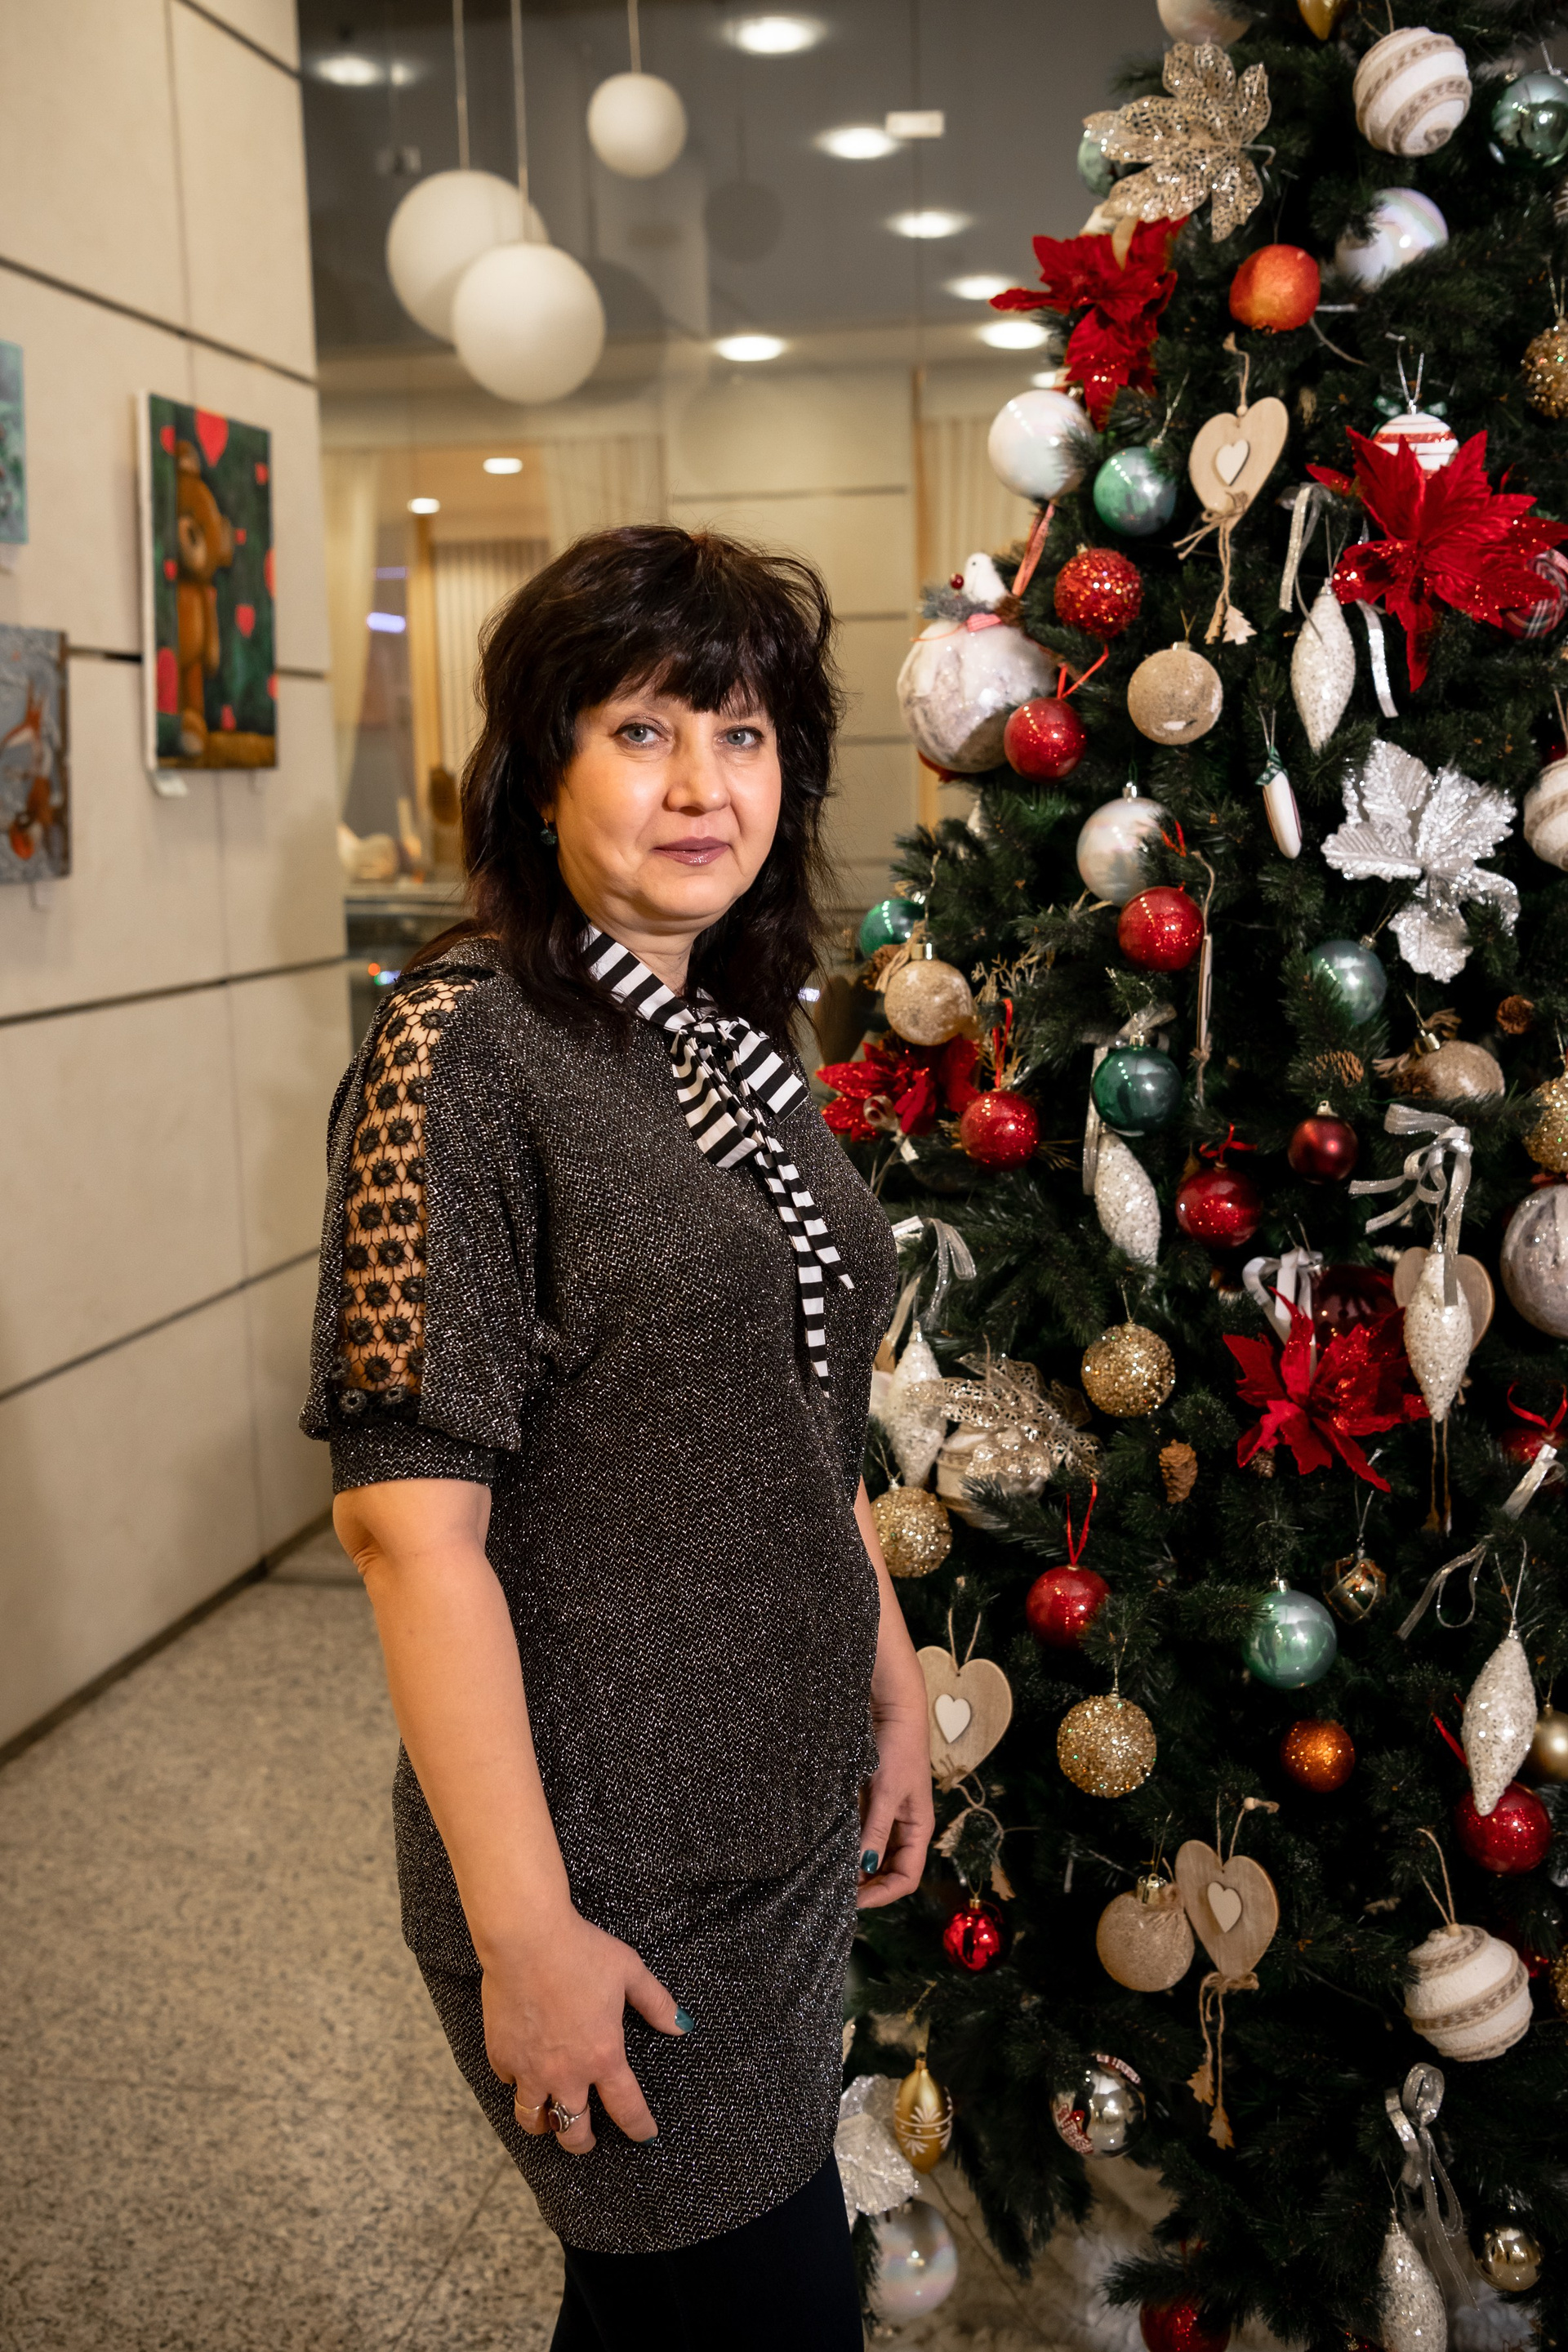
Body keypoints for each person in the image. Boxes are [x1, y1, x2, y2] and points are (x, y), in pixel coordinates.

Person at [302, 526, 934, 2350]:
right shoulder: (463, 1052)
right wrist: (527, 1937)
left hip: (780, 1827)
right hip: (611, 1869)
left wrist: (885, 1673)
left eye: (744, 738)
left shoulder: (727, 1033)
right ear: (540, 767)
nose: (703, 788)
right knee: (750, 2311)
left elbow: (801, 1414)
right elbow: (408, 1533)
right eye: (645, 732)